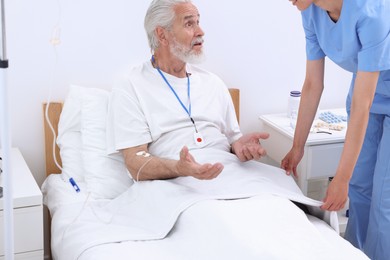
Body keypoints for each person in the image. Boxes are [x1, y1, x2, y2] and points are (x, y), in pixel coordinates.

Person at [106, 0, 269, 183]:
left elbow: (234, 141)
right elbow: (135, 162)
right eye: (189, 23)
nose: (200, 32)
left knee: (281, 209)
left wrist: (241, 147)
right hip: (175, 184)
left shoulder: (213, 83)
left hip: (229, 175)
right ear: (162, 35)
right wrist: (179, 168)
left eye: (198, 22)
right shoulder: (131, 85)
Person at [282, 1, 390, 259]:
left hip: (368, 96)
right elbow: (312, 84)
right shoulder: (310, 11)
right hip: (368, 95)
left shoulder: (371, 11)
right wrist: (297, 148)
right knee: (359, 189)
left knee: (383, 203)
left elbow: (362, 106)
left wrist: (339, 179)